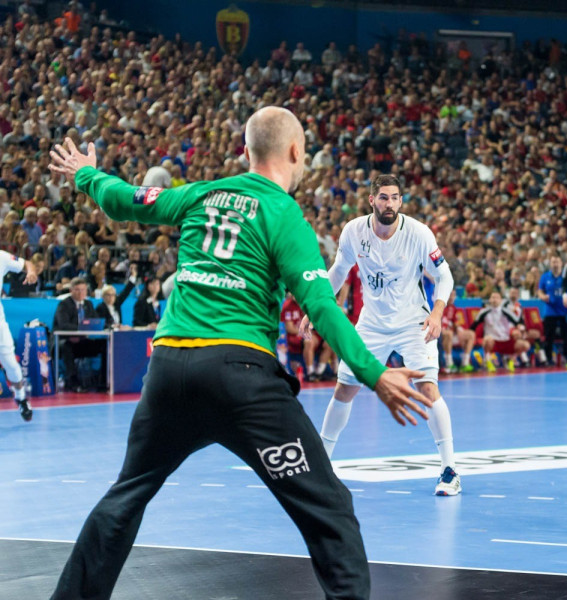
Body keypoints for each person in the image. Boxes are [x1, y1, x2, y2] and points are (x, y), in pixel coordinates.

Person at [48, 107, 432, 600]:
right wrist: (375, 374)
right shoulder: (282, 212)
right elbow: (321, 304)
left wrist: (85, 173)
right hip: (241, 381)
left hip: (167, 375)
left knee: (126, 497)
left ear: (245, 152)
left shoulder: (199, 194)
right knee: (329, 509)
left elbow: (124, 200)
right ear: (297, 152)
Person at [305, 174, 461, 496]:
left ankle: (449, 470)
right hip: (371, 324)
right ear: (372, 200)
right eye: (383, 197)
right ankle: (321, 467)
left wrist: (437, 313)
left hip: (412, 322)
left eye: (395, 198)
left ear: (401, 201)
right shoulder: (353, 231)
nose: (389, 203)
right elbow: (338, 271)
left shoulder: (418, 233)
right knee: (344, 389)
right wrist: (315, 306)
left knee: (427, 388)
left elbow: (444, 277)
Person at [0, 250, 38, 420]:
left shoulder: (2, 257)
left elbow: (27, 264)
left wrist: (30, 272)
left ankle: (21, 398)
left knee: (11, 366)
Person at [52, 277, 107, 392]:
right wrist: (80, 330)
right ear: (71, 290)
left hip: (82, 341)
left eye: (83, 290)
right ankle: (72, 382)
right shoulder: (64, 305)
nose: (81, 292)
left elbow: (95, 321)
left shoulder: (88, 304)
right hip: (64, 341)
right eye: (77, 289)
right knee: (67, 346)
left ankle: (103, 381)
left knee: (104, 345)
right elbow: (63, 325)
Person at [470, 290, 530, 372]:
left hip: (506, 340)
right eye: (493, 297)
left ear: (501, 300)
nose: (494, 300)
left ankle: (511, 359)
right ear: (490, 300)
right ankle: (488, 361)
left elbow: (518, 322)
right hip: (493, 342)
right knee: (487, 339)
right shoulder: (484, 312)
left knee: (525, 345)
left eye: (497, 298)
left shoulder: (506, 311)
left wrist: (520, 329)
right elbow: (473, 326)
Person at [537, 254, 567, 366]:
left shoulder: (566, 277)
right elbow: (539, 290)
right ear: (550, 264)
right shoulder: (545, 276)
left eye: (557, 262)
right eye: (553, 262)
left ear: (561, 263)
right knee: (549, 335)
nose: (555, 264)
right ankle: (548, 358)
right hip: (550, 311)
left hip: (564, 311)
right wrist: (542, 297)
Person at [96, 264, 138, 329]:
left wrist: (133, 276)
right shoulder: (100, 308)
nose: (111, 297)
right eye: (108, 295)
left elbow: (126, 292)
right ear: (103, 296)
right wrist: (114, 327)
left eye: (113, 295)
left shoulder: (116, 303)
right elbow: (101, 325)